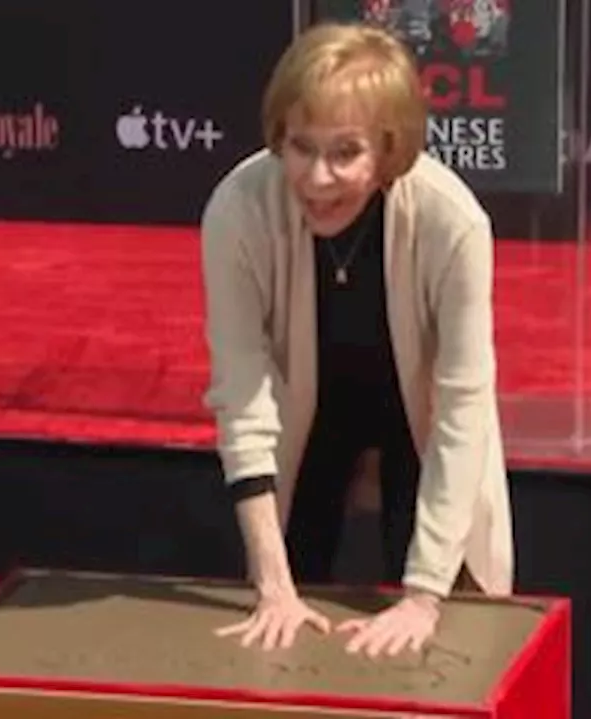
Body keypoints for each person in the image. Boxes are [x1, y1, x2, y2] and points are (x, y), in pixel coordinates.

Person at [199, 21, 512, 659]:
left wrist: (424, 597)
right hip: (308, 422)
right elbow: (241, 396)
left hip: (417, 424)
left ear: (390, 150)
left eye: (345, 152)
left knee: (441, 637)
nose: (316, 178)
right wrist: (273, 584)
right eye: (300, 147)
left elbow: (462, 411)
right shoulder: (236, 209)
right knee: (282, 629)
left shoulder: (453, 222)